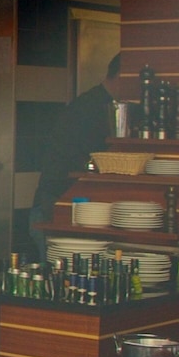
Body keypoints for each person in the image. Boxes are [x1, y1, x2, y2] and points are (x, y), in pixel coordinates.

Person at [28, 56, 128, 258]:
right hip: (57, 204)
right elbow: (92, 161)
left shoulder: (93, 103)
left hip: (56, 202)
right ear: (121, 77)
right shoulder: (92, 109)